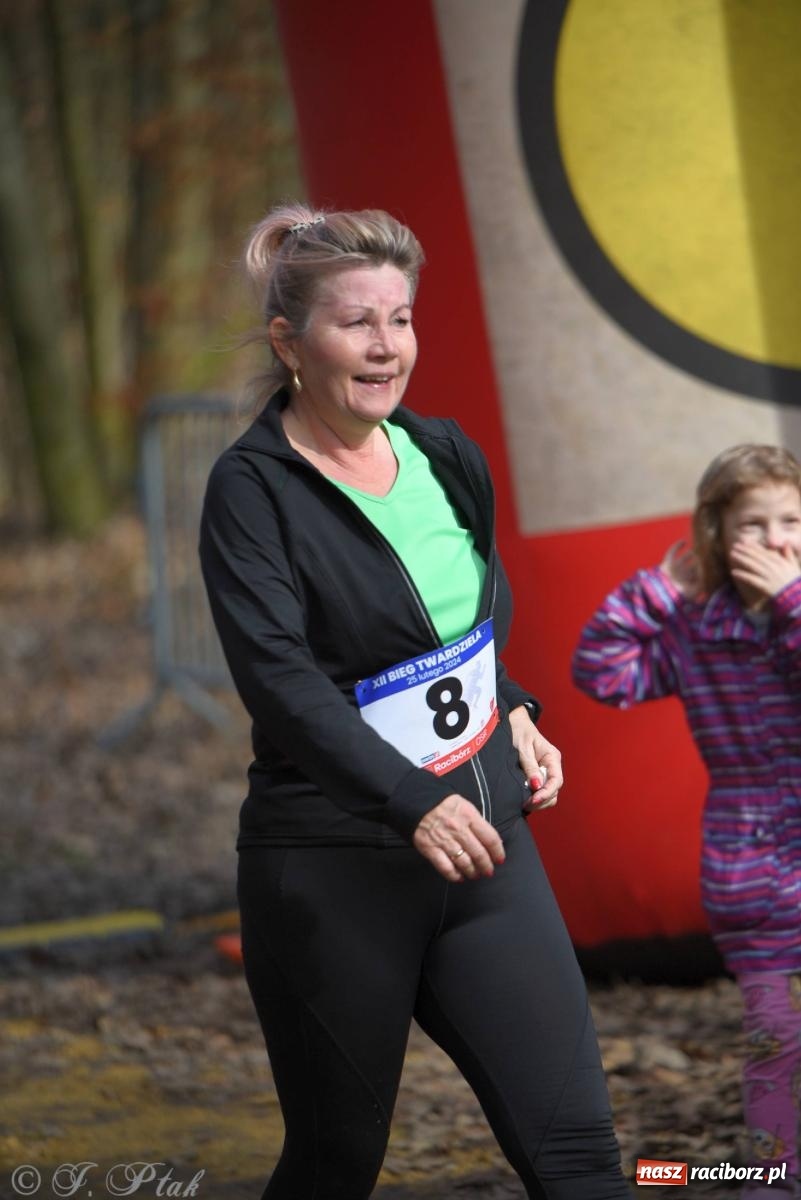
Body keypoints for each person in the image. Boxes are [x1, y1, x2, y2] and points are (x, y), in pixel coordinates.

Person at [199, 203, 630, 1199]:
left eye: (399, 319)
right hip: (336, 868)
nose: (386, 346)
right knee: (335, 1165)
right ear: (289, 343)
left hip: (487, 851)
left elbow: (455, 631)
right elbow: (280, 679)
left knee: (580, 1156)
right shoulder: (252, 491)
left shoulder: (445, 453)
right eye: (356, 322)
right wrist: (409, 800)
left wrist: (512, 707)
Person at [572, 444, 801, 1200]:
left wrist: (792, 602)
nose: (776, 541)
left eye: (791, 520)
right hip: (751, 872)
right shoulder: (697, 628)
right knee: (776, 1039)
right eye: (753, 525)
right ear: (716, 535)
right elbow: (601, 669)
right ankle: (772, 1176)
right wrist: (662, 587)